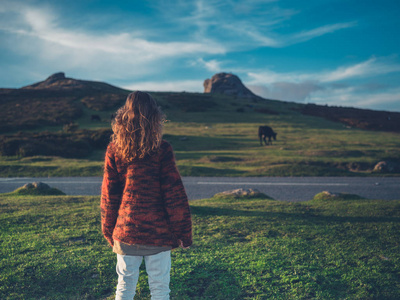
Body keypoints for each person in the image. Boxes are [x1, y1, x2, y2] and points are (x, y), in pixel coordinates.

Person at [101, 91, 192, 300]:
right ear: (155, 118)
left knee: (124, 286)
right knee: (160, 288)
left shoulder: (114, 149)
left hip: (126, 232)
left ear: (123, 116)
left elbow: (109, 195)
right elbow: (174, 195)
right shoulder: (163, 149)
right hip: (158, 234)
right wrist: (183, 233)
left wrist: (109, 230)